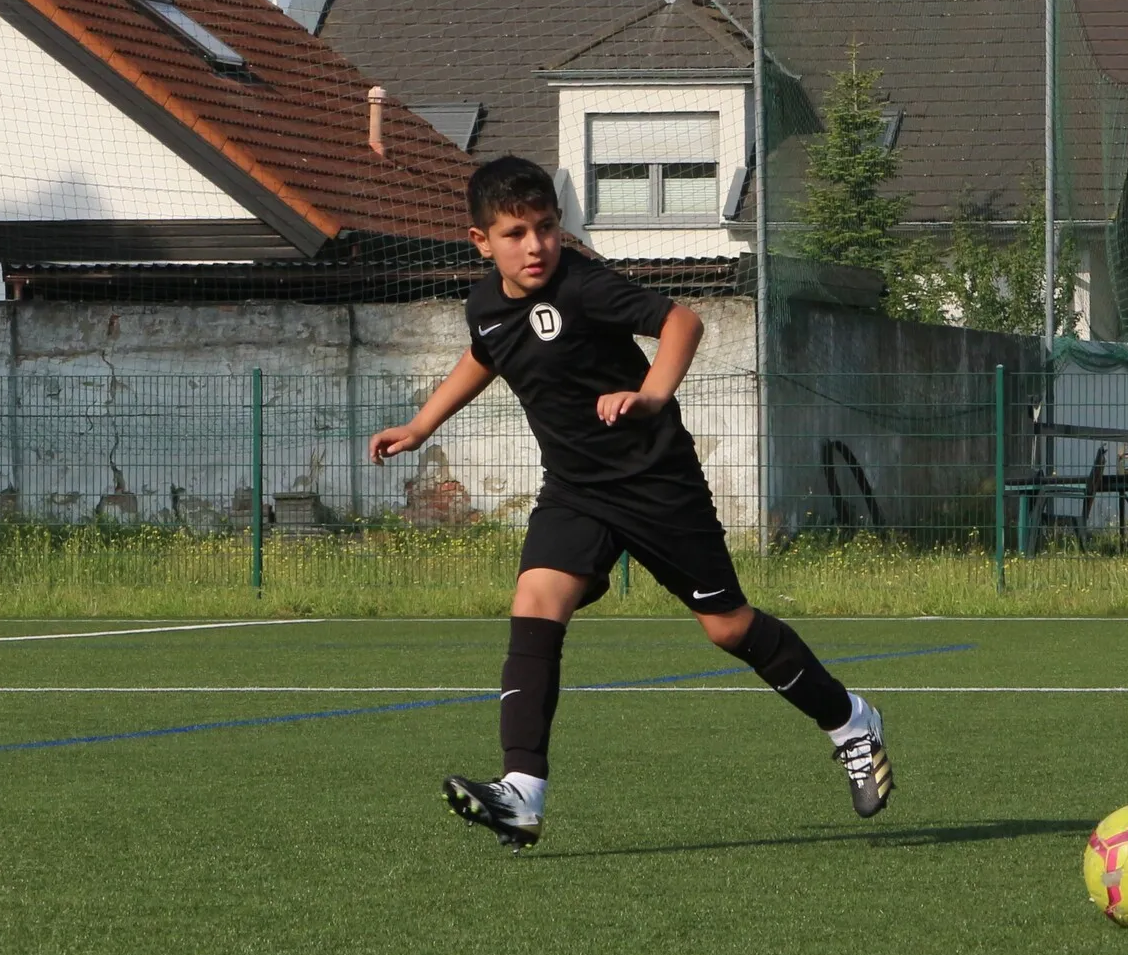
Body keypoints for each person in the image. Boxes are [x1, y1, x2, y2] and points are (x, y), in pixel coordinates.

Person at [369, 156, 892, 851]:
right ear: (481, 242)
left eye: (545, 226)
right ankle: (522, 791)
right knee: (535, 602)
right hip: (575, 491)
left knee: (727, 627)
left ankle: (851, 721)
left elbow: (682, 322)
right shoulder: (485, 306)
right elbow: (485, 354)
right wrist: (421, 425)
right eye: (516, 233)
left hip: (656, 482)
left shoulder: (583, 284)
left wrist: (650, 394)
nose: (535, 245)